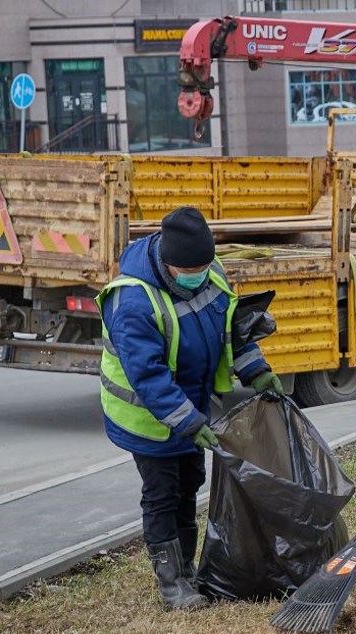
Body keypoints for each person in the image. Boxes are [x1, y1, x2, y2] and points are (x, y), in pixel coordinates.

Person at [97, 206, 284, 611]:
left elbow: (231, 328)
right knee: (163, 492)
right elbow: (148, 377)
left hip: (191, 406)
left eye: (205, 264)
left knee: (190, 483)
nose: (201, 274)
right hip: (147, 418)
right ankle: (172, 583)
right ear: (168, 263)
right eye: (193, 269)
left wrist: (256, 372)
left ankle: (188, 569)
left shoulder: (209, 271)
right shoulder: (132, 300)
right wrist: (188, 422)